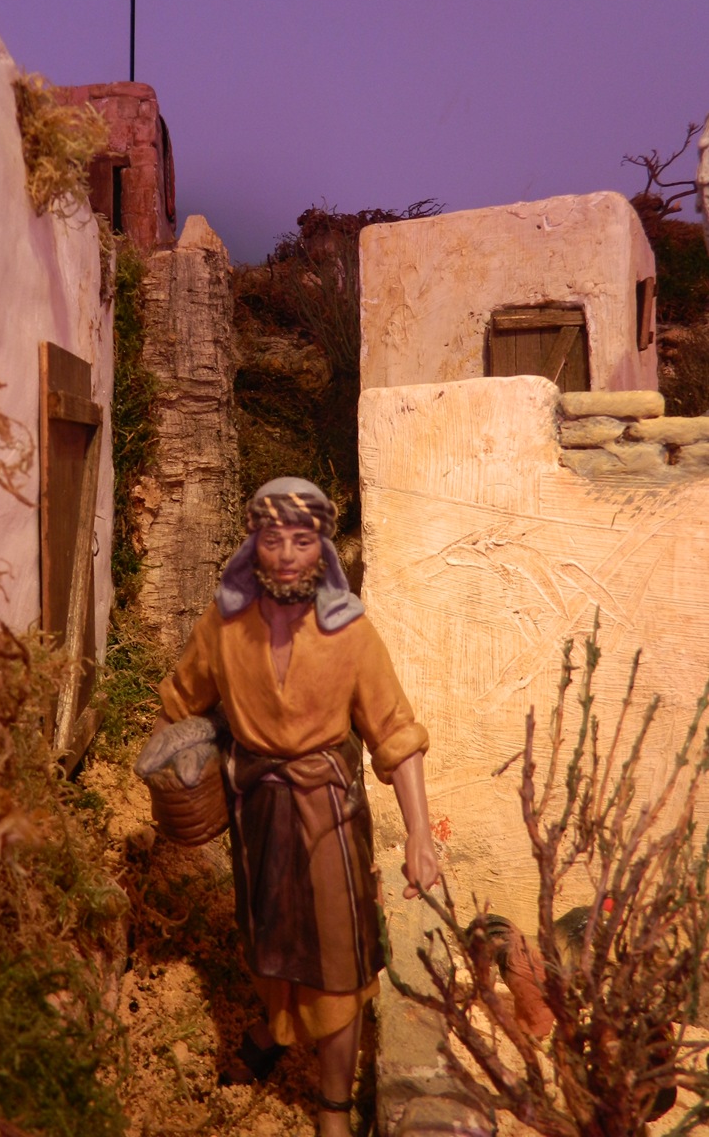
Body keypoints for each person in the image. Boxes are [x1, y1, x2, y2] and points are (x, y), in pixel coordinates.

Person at [152, 477, 439, 1137]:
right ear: (253, 542)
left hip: (326, 812)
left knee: (337, 956)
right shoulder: (224, 626)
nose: (286, 556)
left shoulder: (351, 634)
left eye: (302, 541)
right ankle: (276, 1027)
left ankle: (333, 1102)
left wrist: (420, 834)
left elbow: (396, 733)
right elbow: (180, 701)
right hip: (256, 809)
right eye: (273, 539)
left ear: (322, 548)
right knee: (268, 936)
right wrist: (176, 760)